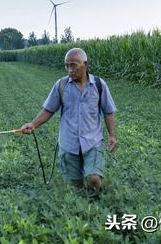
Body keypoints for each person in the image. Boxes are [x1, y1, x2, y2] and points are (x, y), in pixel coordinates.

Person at [20, 48, 117, 192]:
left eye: (73, 65)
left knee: (94, 180)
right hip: (68, 143)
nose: (69, 69)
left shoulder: (99, 85)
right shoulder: (61, 85)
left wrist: (112, 136)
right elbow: (49, 110)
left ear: (86, 64)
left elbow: (108, 112)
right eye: (66, 65)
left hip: (92, 142)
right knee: (75, 186)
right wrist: (33, 124)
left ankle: (98, 204)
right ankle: (82, 209)